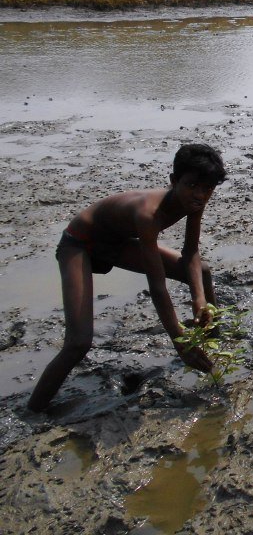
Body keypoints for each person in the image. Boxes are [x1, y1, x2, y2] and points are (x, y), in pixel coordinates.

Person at [29, 143, 227, 411]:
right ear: (173, 181)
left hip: (116, 241)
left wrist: (199, 300)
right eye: (192, 186)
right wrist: (179, 342)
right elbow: (157, 286)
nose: (200, 195)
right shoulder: (148, 214)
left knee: (201, 273)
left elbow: (191, 252)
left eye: (208, 189)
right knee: (78, 342)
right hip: (81, 243)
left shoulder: (196, 200)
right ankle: (34, 411)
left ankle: (213, 335)